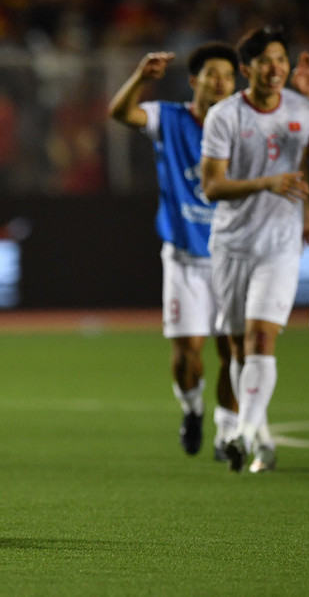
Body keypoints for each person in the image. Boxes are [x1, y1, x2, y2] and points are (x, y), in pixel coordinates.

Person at [107, 43, 240, 459]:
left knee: (233, 350)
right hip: (184, 257)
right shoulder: (171, 117)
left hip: (233, 256)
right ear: (195, 78)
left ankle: (227, 433)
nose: (221, 81)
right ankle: (193, 409)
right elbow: (120, 113)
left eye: (228, 75)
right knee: (187, 355)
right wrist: (141, 79)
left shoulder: (242, 124)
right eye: (213, 73)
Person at [199, 26, 309, 473]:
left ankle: (242, 435)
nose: (276, 68)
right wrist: (267, 182)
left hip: (280, 245)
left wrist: (304, 211)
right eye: (266, 60)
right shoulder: (225, 116)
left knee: (260, 337)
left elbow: (304, 163)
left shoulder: (301, 109)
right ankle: (261, 435)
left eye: (281, 60)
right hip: (232, 244)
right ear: (246, 68)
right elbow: (212, 185)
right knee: (234, 347)